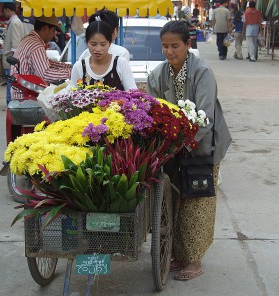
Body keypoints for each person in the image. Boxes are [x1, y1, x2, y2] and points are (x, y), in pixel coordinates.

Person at [147, 21, 231, 281]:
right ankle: (177, 255)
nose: (169, 51)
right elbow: (154, 110)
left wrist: (182, 141)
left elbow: (205, 116)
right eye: (165, 46)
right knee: (173, 203)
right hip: (171, 148)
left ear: (187, 45)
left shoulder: (202, 72)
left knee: (196, 203)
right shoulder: (158, 74)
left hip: (201, 147)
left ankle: (193, 260)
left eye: (175, 46)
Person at [12, 16, 72, 99]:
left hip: (23, 94)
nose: (54, 35)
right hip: (26, 97)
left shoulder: (30, 40)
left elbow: (47, 63)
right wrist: (70, 72)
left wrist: (69, 67)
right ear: (45, 28)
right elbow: (45, 74)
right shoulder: (35, 45)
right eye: (53, 31)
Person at [71, 20, 137, 91]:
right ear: (87, 43)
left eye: (103, 44)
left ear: (110, 43)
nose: (98, 49)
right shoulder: (79, 67)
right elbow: (72, 95)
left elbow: (133, 93)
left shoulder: (121, 63)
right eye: (93, 44)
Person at [2, 2, 26, 104]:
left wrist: (13, 64)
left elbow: (15, 46)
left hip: (12, 62)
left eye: (4, 11)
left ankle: (11, 109)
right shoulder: (15, 22)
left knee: (11, 88)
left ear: (7, 10)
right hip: (13, 62)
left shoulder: (15, 23)